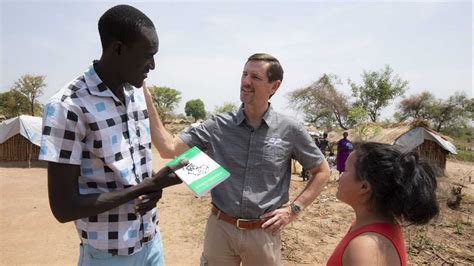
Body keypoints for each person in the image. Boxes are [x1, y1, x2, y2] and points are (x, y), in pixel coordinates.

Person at [145, 53, 330, 265]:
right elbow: (169, 148)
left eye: (255, 77)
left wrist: (293, 210)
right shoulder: (217, 125)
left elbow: (322, 171)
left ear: (274, 86)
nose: (246, 82)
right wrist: (147, 101)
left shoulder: (290, 130)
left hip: (263, 233)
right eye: (244, 74)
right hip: (220, 228)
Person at [39, 5, 187, 265]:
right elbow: (63, 208)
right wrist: (146, 186)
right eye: (147, 55)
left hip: (151, 242)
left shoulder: (137, 94)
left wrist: (153, 188)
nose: (153, 65)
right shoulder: (68, 106)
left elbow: (131, 175)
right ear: (118, 49)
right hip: (108, 255)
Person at [327, 142, 439, 266]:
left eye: (346, 170)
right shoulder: (377, 225)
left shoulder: (364, 247)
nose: (340, 175)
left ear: (364, 187)